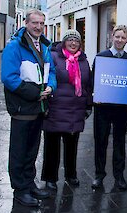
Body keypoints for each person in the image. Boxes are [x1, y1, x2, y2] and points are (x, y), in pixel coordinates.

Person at [1, 9, 57, 207]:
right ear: (26, 23)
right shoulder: (14, 47)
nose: (39, 27)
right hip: (22, 107)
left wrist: (51, 86)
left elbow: (51, 71)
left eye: (42, 23)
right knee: (19, 150)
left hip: (39, 107)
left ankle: (29, 183)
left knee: (32, 149)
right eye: (35, 23)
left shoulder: (44, 46)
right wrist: (35, 93)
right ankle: (20, 189)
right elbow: (9, 78)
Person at [41, 30, 93, 190]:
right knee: (52, 146)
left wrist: (88, 106)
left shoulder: (83, 60)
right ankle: (50, 178)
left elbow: (88, 85)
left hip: (75, 110)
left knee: (72, 146)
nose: (73, 43)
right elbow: (46, 79)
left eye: (76, 41)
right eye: (70, 40)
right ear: (64, 42)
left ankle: (71, 175)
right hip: (55, 109)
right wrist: (45, 105)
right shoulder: (53, 57)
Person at [91, 25, 127, 191]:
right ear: (112, 37)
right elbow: (95, 81)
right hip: (103, 108)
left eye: (123, 38)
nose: (119, 40)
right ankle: (99, 175)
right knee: (100, 142)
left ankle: (119, 176)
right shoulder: (101, 57)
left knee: (119, 143)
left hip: (121, 110)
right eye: (117, 37)